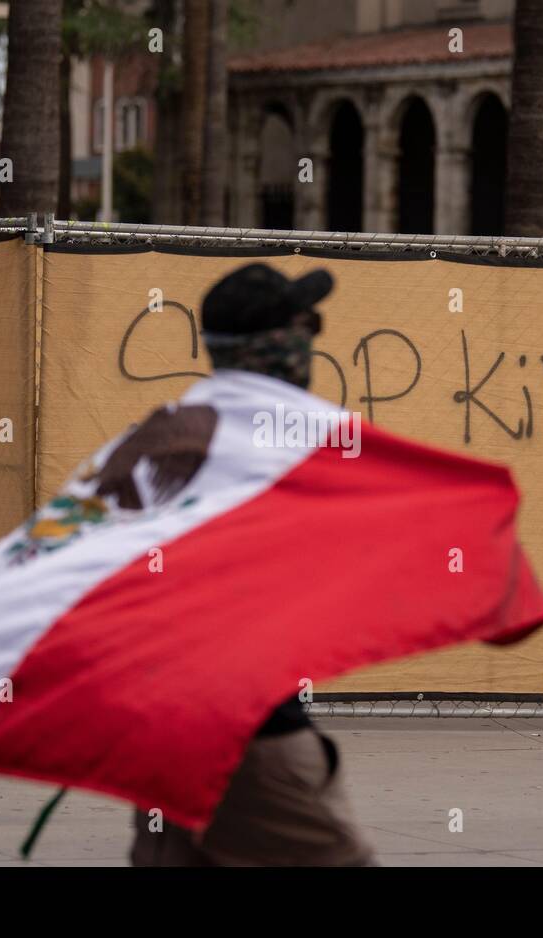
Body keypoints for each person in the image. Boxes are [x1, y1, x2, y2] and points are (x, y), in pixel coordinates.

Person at [129, 262, 376, 866]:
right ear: (277, 345)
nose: (314, 341)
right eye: (306, 326)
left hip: (160, 730)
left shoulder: (162, 434)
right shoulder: (298, 439)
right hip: (249, 732)